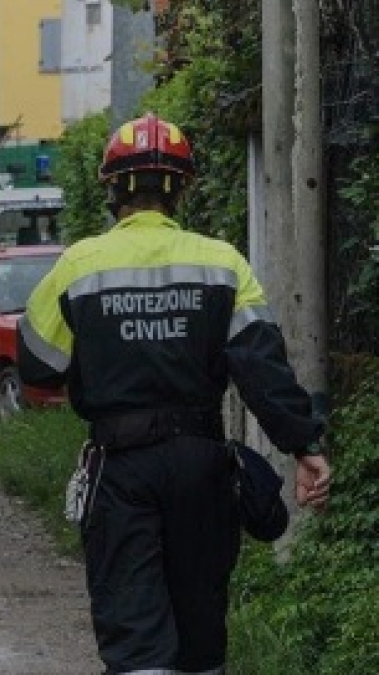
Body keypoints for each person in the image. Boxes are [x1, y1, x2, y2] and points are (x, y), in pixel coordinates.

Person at [17, 112, 333, 674]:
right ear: (183, 188)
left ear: (112, 187)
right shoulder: (223, 264)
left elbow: (38, 366)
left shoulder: (78, 266)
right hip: (202, 465)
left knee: (135, 635)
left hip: (121, 467)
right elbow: (263, 367)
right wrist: (304, 446)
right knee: (199, 633)